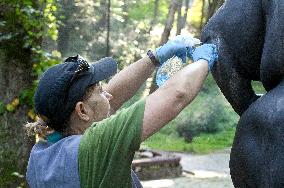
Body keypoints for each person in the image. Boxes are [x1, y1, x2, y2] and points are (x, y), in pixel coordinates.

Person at [25, 35, 218, 188]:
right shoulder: (95, 146)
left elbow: (111, 97)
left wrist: (155, 57)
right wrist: (203, 60)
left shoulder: (41, 155)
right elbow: (177, 94)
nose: (108, 96)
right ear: (82, 111)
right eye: (100, 91)